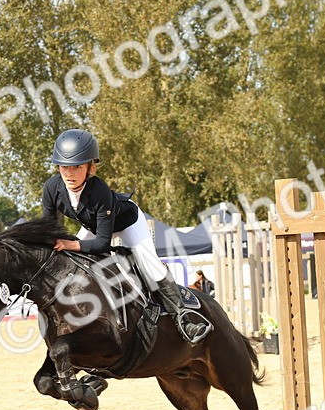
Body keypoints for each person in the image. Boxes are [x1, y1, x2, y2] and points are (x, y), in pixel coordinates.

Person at [42, 128, 211, 343]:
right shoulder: (52, 188)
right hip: (95, 226)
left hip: (128, 223)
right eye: (64, 167)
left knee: (151, 265)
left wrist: (71, 244)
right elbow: (48, 229)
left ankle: (184, 318)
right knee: (70, 261)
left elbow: (102, 243)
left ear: (91, 168)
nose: (69, 174)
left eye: (77, 167)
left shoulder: (100, 191)